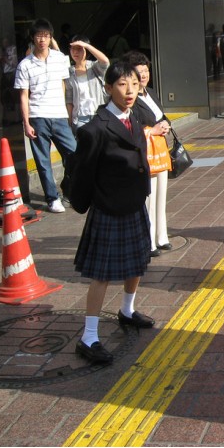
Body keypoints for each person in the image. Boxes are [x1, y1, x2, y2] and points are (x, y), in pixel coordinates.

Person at [69, 60, 154, 364]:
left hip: (134, 201)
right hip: (109, 206)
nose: (129, 90)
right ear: (107, 88)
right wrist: (87, 203)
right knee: (102, 274)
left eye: (133, 83)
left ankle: (127, 311)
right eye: (121, 84)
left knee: (137, 262)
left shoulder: (139, 113)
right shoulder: (95, 128)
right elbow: (81, 172)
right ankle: (88, 337)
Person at [14, 18, 77, 213]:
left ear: (51, 37)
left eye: (46, 36)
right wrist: (26, 122)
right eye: (39, 35)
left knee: (75, 155)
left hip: (58, 115)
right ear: (32, 38)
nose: (43, 39)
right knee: (43, 161)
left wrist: (67, 112)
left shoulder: (59, 58)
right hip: (38, 116)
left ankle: (70, 190)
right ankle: (52, 198)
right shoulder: (25, 65)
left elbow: (65, 85)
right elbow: (24, 96)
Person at [124, 50, 172, 258]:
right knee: (149, 197)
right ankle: (148, 240)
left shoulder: (150, 92)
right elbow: (130, 125)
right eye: (139, 71)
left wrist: (165, 125)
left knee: (161, 194)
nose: (143, 75)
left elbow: (162, 116)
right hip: (145, 151)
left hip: (160, 149)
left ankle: (161, 236)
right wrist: (151, 131)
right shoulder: (130, 98)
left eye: (146, 70)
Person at [65, 35, 109, 132]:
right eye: (73, 49)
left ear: (86, 50)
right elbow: (69, 100)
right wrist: (69, 121)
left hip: (99, 115)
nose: (75, 52)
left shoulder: (94, 67)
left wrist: (87, 45)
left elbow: (105, 61)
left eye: (79, 49)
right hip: (80, 118)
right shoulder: (69, 72)